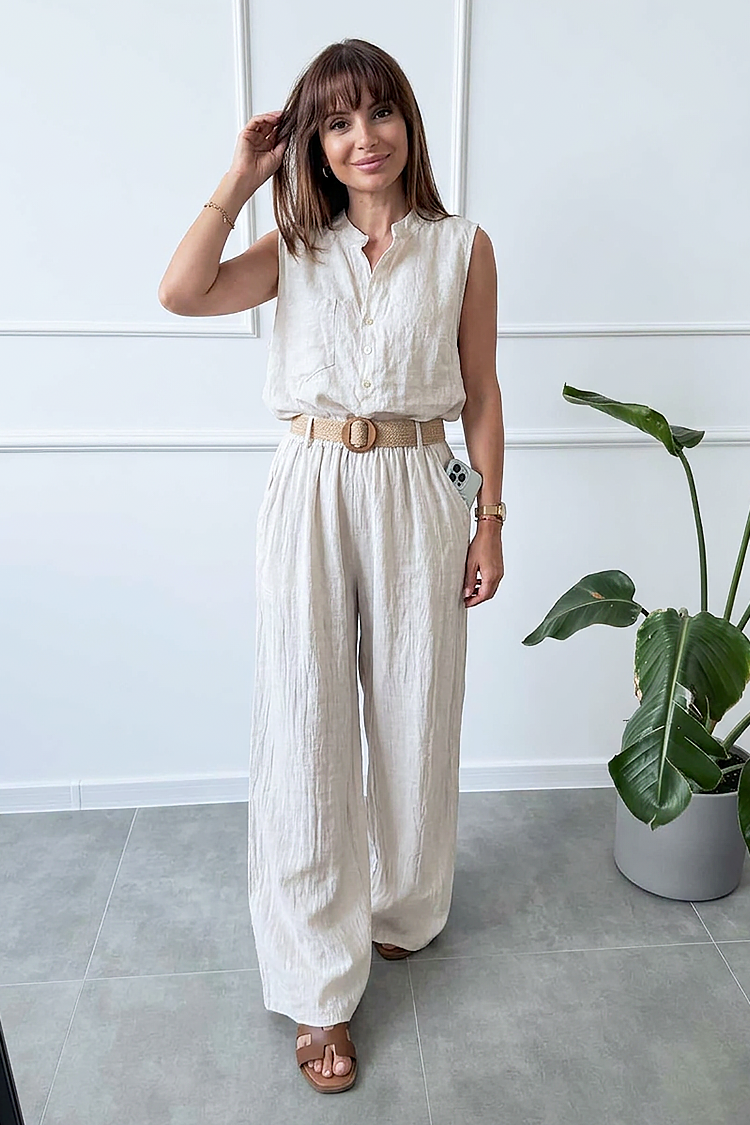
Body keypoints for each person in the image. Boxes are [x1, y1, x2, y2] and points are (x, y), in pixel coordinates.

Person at [158, 37, 505, 1094]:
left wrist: (490, 521)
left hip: (420, 484)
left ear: (409, 122)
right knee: (306, 722)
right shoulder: (294, 247)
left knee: (417, 709)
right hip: (309, 484)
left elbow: (482, 390)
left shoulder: (462, 246)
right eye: (339, 122)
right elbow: (181, 292)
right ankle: (317, 985)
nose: (364, 138)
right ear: (313, 142)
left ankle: (402, 903)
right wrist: (241, 175)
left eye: (380, 111)